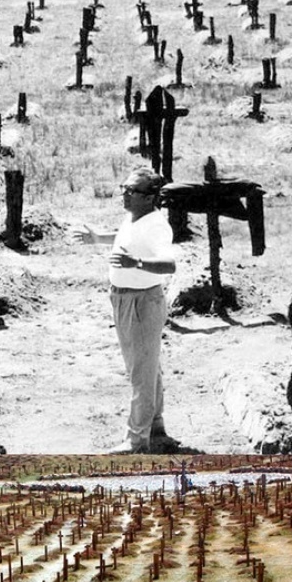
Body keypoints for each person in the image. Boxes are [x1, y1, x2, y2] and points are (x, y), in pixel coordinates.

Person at [80, 165, 182, 454]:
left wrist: (136, 263)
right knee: (149, 368)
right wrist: (98, 238)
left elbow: (169, 264)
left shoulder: (157, 225)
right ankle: (156, 426)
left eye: (132, 191)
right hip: (125, 299)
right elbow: (126, 238)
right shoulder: (134, 216)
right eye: (124, 188)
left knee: (141, 372)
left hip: (141, 302)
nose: (124, 194)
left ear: (149, 197)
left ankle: (136, 440)